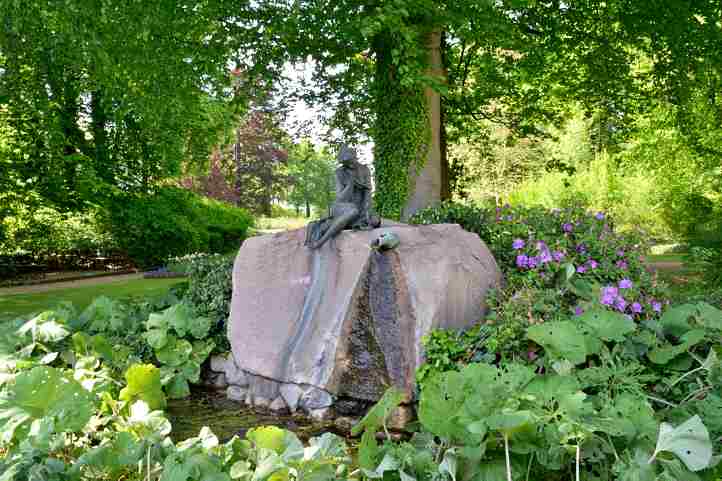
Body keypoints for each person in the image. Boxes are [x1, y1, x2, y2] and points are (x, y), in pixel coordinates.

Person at [305, 144, 380, 249]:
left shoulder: (364, 170)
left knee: (375, 221)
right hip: (341, 207)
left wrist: (367, 213)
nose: (349, 165)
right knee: (352, 211)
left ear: (355, 158)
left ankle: (334, 224)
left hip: (360, 208)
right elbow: (340, 198)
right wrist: (350, 184)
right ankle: (320, 242)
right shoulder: (339, 172)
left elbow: (367, 194)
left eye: (351, 161)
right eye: (346, 163)